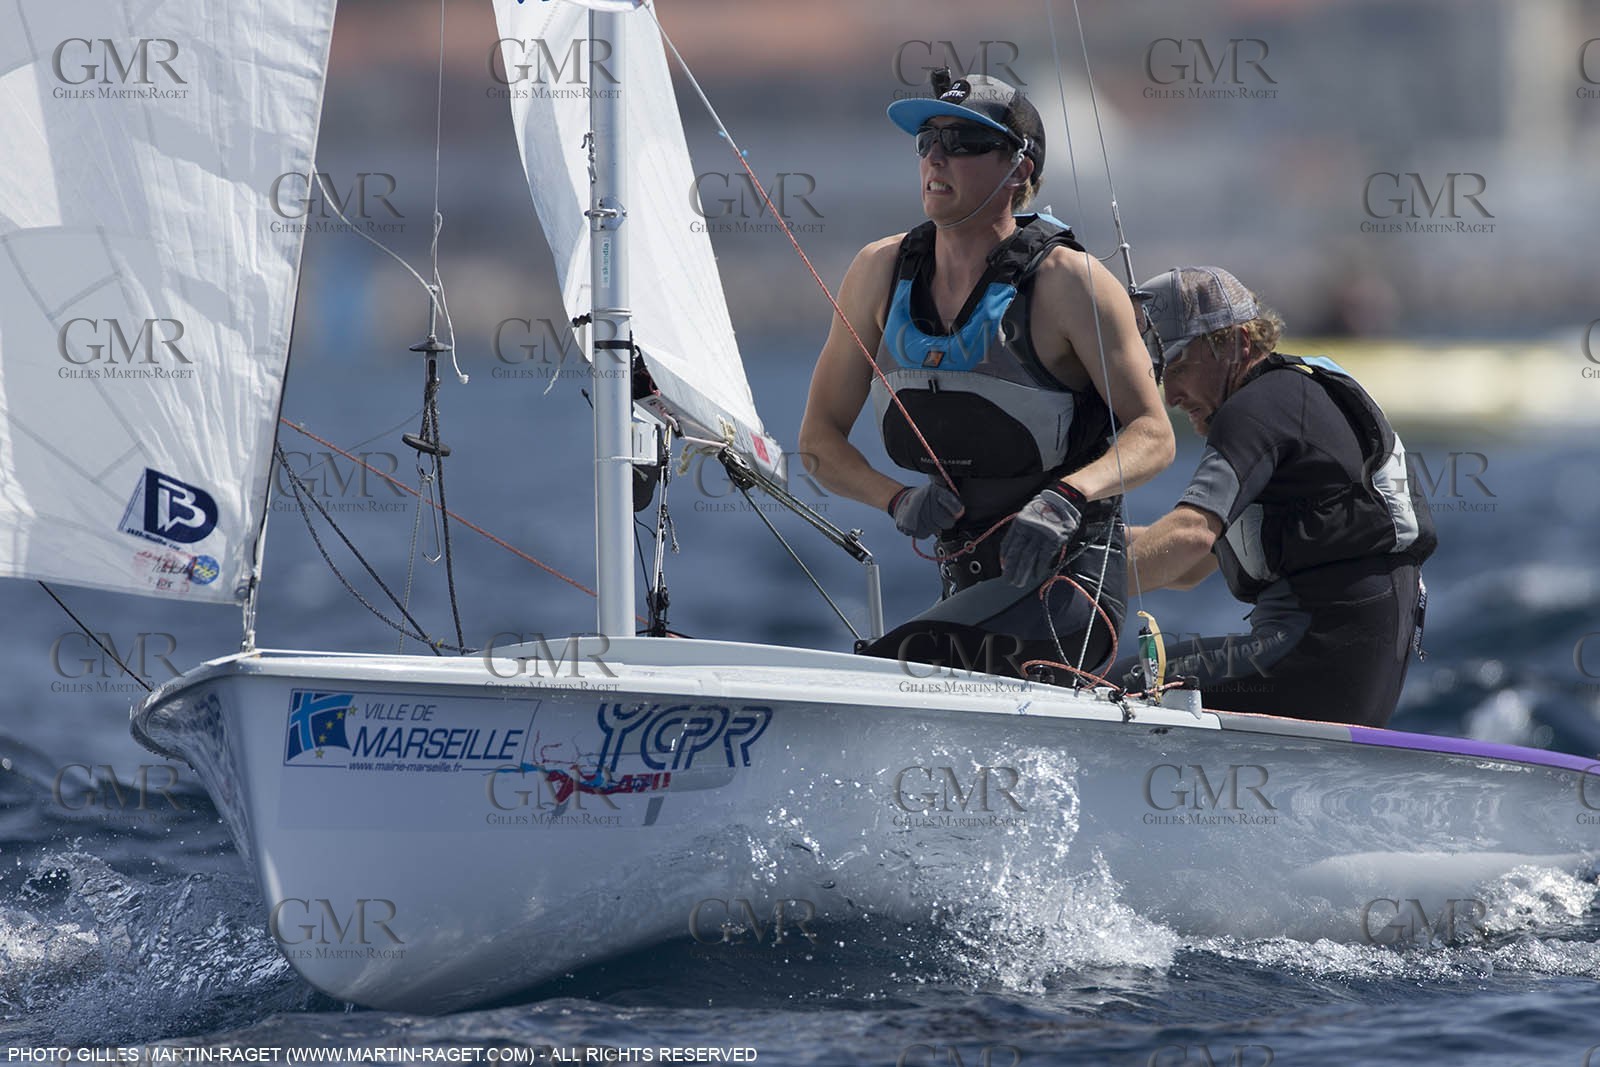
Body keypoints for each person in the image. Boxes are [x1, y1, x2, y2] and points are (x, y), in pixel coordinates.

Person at [797, 71, 1173, 679]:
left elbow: (1154, 436)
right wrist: (895, 500)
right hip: (966, 596)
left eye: (964, 141)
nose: (936, 156)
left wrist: (1065, 499)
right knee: (907, 668)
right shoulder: (879, 272)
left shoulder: (1070, 284)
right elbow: (817, 443)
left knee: (893, 671)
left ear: (1019, 169)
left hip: (1069, 595)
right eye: (927, 141)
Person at [1120, 266, 1436, 727]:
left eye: (1180, 365)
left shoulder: (1255, 410)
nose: (1171, 396)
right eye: (1161, 374)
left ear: (1236, 343)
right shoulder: (1292, 397)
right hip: (1353, 674)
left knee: (1131, 680)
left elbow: (1189, 535)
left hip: (1317, 660)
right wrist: (1088, 550)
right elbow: (1189, 567)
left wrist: (1065, 584)